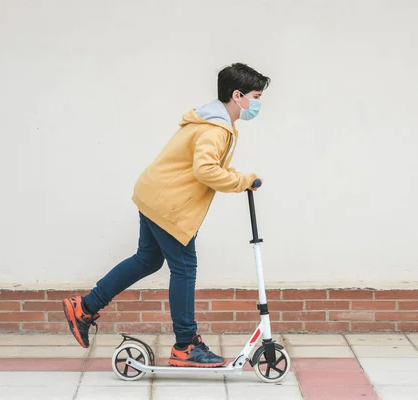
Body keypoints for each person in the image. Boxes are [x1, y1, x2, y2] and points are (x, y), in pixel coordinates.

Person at [62, 63, 270, 368]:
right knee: (184, 268)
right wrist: (242, 181)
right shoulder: (216, 128)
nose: (258, 103)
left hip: (154, 196)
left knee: (147, 259)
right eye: (256, 95)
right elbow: (205, 170)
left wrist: (239, 177)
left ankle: (85, 306)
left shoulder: (213, 122)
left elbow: (202, 165)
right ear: (237, 95)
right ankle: (185, 346)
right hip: (169, 205)